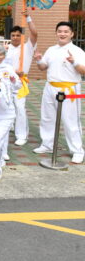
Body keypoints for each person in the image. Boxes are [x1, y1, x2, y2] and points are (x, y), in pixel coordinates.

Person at [34, 21, 85, 163]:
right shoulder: (51, 49)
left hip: (69, 88)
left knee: (70, 120)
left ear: (72, 34)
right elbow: (43, 67)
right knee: (47, 117)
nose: (62, 34)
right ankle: (47, 144)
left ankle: (77, 150)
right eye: (60, 31)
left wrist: (74, 62)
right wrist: (38, 60)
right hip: (50, 86)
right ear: (56, 33)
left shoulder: (77, 51)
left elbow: (83, 71)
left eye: (66, 32)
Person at [5, 10, 38, 146]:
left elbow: (35, 34)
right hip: (7, 82)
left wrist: (28, 18)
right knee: (7, 107)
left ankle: (21, 135)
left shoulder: (27, 47)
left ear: (22, 36)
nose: (15, 37)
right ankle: (10, 127)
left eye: (18, 35)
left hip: (20, 82)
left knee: (20, 108)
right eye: (13, 35)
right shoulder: (6, 48)